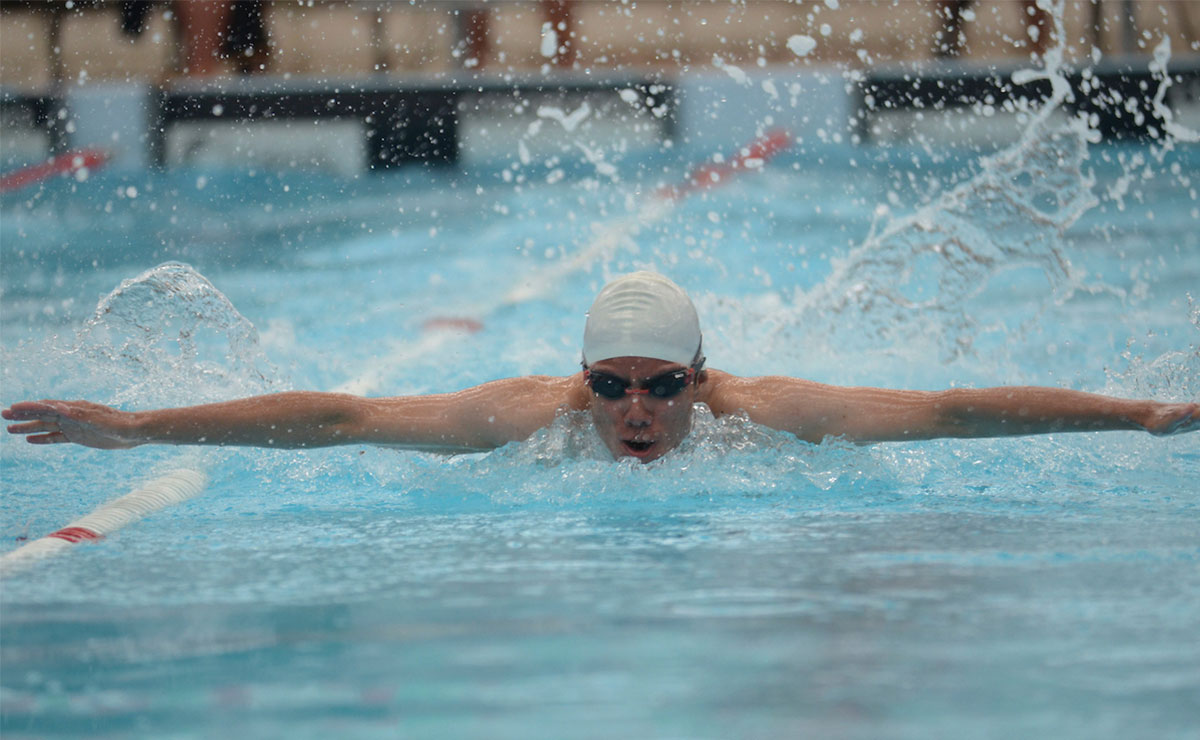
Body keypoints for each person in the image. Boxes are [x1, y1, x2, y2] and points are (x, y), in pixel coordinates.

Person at [3, 272, 1197, 463]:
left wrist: (1142, 415)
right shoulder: (531, 414)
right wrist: (142, 427)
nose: (633, 411)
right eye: (609, 384)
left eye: (660, 387)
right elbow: (341, 416)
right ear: (580, 377)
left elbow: (949, 410)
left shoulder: (766, 411)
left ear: (702, 379)